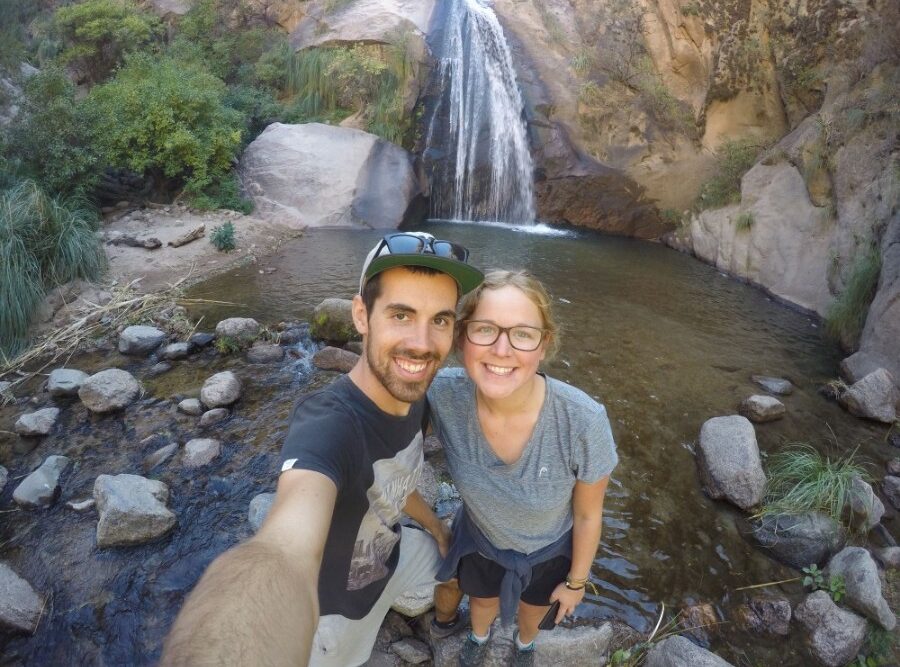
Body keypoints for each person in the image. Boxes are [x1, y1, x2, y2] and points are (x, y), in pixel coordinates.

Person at [161, 232, 484, 667]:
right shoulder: (328, 425)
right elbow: (283, 550)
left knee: (462, 562)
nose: (423, 343)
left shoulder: (415, 394)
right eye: (402, 314)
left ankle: (443, 624)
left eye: (440, 320)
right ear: (361, 315)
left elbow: (391, 481)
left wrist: (439, 530)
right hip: (336, 617)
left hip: (393, 553)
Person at [427, 269, 618, 666]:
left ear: (544, 345)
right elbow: (382, 404)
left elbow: (587, 515)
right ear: (462, 338)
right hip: (480, 539)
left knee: (532, 615)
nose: (501, 349)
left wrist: (576, 583)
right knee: (481, 601)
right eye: (485, 329)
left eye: (523, 334)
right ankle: (478, 638)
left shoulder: (583, 421)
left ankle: (525, 647)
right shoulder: (442, 394)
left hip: (548, 552)